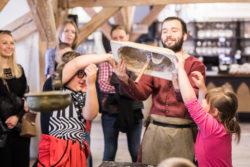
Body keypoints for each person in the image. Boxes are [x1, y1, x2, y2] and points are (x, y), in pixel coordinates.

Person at [112, 17, 206, 165]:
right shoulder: (153, 61)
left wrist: (177, 88)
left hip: (183, 132)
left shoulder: (195, 65)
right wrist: (124, 80)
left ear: (185, 35)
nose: (168, 34)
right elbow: (141, 93)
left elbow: (194, 101)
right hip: (155, 131)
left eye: (174, 31)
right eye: (164, 31)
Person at [38, 51, 113, 167]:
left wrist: (91, 84)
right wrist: (108, 57)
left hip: (76, 154)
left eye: (85, 74)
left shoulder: (81, 94)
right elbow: (76, 63)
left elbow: (90, 115)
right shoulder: (53, 86)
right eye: (80, 73)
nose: (83, 78)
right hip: (54, 156)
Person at [175, 54, 241, 167]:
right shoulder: (223, 123)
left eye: (206, 101)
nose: (202, 102)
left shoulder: (212, 128)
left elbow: (190, 100)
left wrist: (181, 69)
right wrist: (202, 89)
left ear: (215, 112)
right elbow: (202, 108)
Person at [98, 25, 143, 162]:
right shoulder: (107, 58)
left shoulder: (136, 58)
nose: (118, 40)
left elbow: (142, 85)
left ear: (127, 37)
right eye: (115, 38)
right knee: (109, 152)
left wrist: (118, 84)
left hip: (133, 110)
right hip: (111, 110)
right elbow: (103, 85)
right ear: (111, 40)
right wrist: (128, 87)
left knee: (136, 151)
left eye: (121, 37)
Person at [0, 30, 30, 167]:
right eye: (4, 43)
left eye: (12, 43)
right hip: (1, 132)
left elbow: (26, 98)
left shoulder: (19, 70)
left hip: (19, 129)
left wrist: (17, 117)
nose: (9, 46)